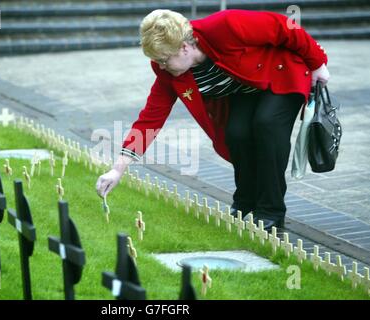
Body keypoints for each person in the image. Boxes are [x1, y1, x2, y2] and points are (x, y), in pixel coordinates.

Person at [95, 9, 330, 231]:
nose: (161, 66)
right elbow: (150, 118)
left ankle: (271, 211)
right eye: (158, 61)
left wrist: (318, 63)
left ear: (185, 47)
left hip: (282, 73)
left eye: (165, 59)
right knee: (236, 134)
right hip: (247, 88)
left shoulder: (225, 26)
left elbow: (285, 26)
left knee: (266, 125)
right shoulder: (166, 70)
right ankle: (246, 200)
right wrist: (118, 169)